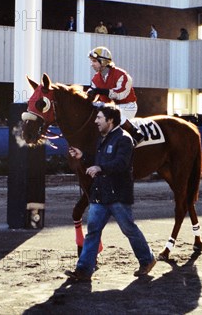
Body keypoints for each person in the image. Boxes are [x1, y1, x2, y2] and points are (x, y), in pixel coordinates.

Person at [64, 104, 156, 281]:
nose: (96, 121)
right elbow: (98, 161)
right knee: (92, 232)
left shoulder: (124, 139)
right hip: (100, 195)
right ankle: (83, 270)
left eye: (99, 118)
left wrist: (100, 167)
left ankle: (147, 259)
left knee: (129, 229)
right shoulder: (103, 139)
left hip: (118, 196)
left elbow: (121, 164)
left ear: (110, 120)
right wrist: (82, 156)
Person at [86, 46, 144, 143]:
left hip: (127, 106)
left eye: (94, 61)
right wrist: (89, 94)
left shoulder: (121, 75)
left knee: (113, 114)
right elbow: (92, 91)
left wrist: (101, 91)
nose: (92, 64)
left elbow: (120, 94)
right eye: (92, 61)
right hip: (108, 107)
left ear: (103, 62)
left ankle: (136, 134)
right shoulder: (95, 78)